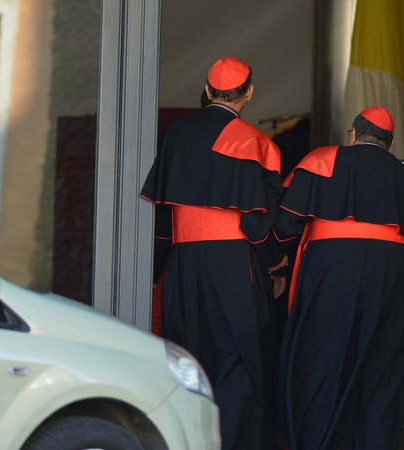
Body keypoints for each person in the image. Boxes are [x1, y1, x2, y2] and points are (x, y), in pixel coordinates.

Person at [275, 106, 404, 450]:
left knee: (321, 365)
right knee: (382, 375)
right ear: (391, 142)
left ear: (352, 135)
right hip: (392, 275)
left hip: (331, 271)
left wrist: (277, 263)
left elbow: (284, 227)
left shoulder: (321, 161)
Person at [141, 56, 285, 450]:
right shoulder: (256, 142)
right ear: (249, 93)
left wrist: (155, 271)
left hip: (184, 260)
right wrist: (276, 262)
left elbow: (162, 213)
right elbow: (257, 222)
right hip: (233, 260)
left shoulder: (174, 133)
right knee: (236, 357)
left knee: (187, 355)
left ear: (207, 91)